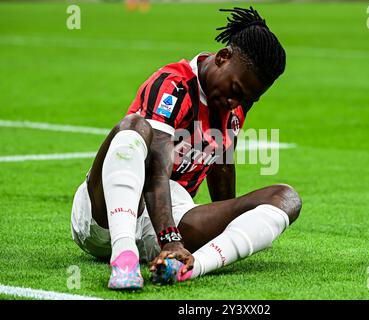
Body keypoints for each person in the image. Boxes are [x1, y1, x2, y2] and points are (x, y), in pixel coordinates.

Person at [71, 6, 301, 290]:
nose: (235, 103)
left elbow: (222, 164)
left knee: (286, 198)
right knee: (134, 127)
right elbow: (155, 169)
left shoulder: (234, 104)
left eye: (246, 99)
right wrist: (171, 239)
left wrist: (227, 220)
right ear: (223, 57)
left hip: (170, 215)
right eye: (236, 91)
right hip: (108, 213)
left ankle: (190, 268)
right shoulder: (173, 85)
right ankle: (124, 258)